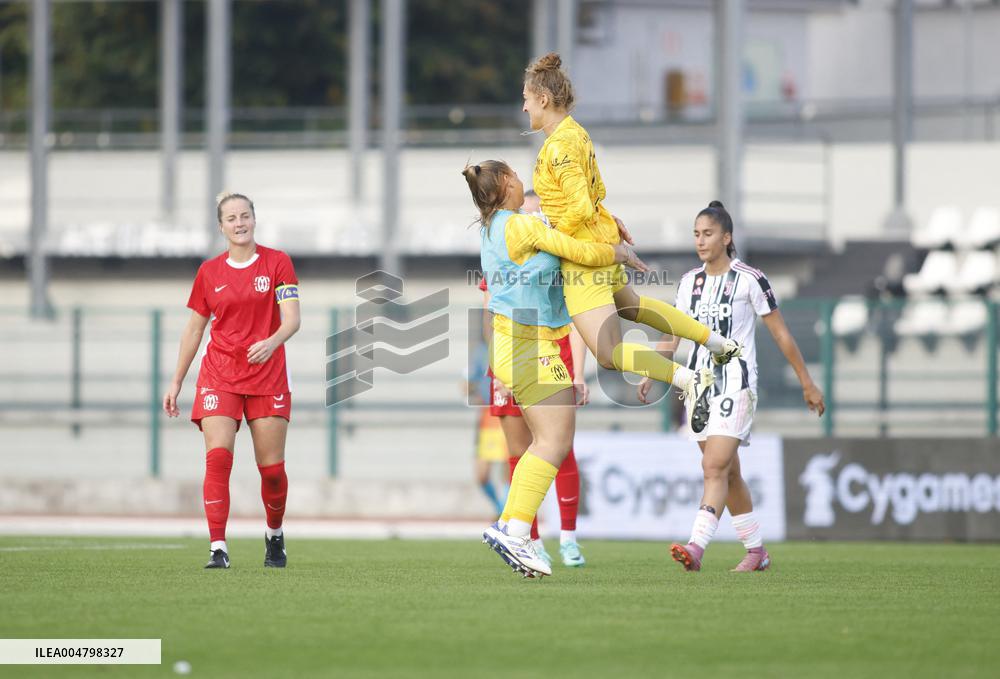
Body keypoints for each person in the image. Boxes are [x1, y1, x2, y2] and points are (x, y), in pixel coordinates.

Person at [522, 52, 743, 431]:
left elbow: (575, 205)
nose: (523, 106)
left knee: (607, 355)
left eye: (526, 98)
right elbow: (595, 195)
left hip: (583, 259)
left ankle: (688, 380)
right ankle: (718, 344)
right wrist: (609, 223)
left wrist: (547, 236)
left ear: (543, 99)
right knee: (634, 307)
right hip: (600, 241)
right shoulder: (576, 132)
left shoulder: (556, 147)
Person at [463, 159, 647, 577]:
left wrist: (600, 221)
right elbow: (575, 250)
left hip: (530, 343)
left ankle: (517, 529)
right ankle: (516, 531)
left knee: (547, 443)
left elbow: (562, 235)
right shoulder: (520, 226)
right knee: (552, 442)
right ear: (507, 183)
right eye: (514, 174)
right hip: (528, 342)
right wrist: (614, 250)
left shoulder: (501, 227)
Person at [637, 201, 825, 572]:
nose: (700, 241)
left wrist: (807, 382)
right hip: (699, 387)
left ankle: (696, 546)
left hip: (737, 384)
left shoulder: (750, 279)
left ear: (727, 237)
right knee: (729, 472)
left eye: (707, 234)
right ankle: (757, 552)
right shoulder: (690, 281)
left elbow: (781, 334)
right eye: (696, 234)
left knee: (714, 465)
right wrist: (651, 369)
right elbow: (674, 329)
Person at [163, 192, 301, 570]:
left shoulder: (277, 263)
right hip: (219, 375)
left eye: (245, 216)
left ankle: (274, 536)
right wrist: (176, 380)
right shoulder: (209, 272)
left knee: (271, 471)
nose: (239, 223)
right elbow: (195, 328)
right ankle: (218, 548)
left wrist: (272, 343)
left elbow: (292, 318)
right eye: (231, 218)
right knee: (218, 458)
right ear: (221, 226)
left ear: (255, 219)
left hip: (267, 375)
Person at [480, 275, 588, 568]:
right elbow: (489, 314)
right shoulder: (501, 253)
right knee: (519, 451)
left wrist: (578, 373)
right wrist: (500, 369)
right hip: (511, 358)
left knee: (559, 446)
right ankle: (529, 540)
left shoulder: (555, 252)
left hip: (550, 359)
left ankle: (567, 539)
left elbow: (579, 318)